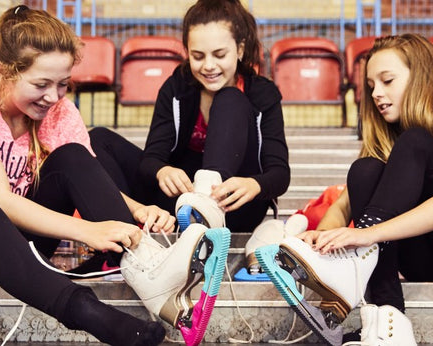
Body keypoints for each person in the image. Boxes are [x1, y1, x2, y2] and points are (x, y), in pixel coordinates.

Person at [0, 5, 231, 346]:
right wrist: (88, 230)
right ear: (3, 71)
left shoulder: (59, 110)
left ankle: (147, 268)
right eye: (41, 84)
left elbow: (87, 175)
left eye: (63, 84)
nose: (53, 96)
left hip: (24, 243)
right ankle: (96, 317)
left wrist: (136, 209)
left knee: (72, 155)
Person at [258, 34, 431, 345]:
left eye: (387, 80)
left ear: (421, 78)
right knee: (365, 170)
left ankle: (361, 272)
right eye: (371, 85)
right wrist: (320, 241)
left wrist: (366, 235)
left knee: (416, 140)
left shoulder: (418, 140)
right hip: (412, 253)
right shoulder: (392, 142)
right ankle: (389, 320)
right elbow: (342, 206)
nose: (377, 93)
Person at [89, 0, 290, 234]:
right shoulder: (176, 87)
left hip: (231, 206)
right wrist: (162, 171)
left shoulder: (262, 94)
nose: (209, 66)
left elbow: (279, 173)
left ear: (240, 50)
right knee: (98, 139)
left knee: (229, 98)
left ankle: (206, 211)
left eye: (219, 55)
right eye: (198, 56)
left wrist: (254, 184)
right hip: (180, 206)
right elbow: (151, 159)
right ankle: (124, 238)